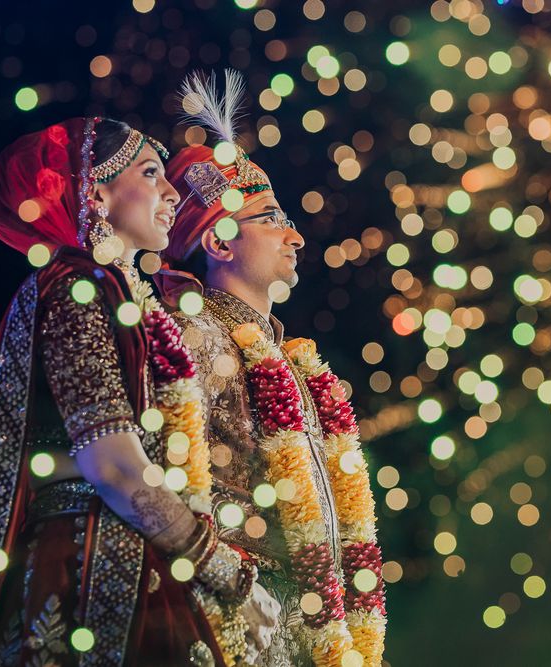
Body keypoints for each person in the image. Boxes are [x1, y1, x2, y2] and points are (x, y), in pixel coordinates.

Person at [0, 116, 278, 667]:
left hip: (134, 551)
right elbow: (112, 465)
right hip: (88, 563)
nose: (171, 192)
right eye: (150, 173)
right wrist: (222, 569)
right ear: (96, 192)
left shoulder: (119, 292)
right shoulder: (80, 285)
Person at [157, 71, 388, 667]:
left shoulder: (293, 359)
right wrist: (225, 579)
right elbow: (162, 485)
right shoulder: (193, 336)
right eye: (270, 218)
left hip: (314, 627)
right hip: (240, 626)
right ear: (219, 244)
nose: (296, 236)